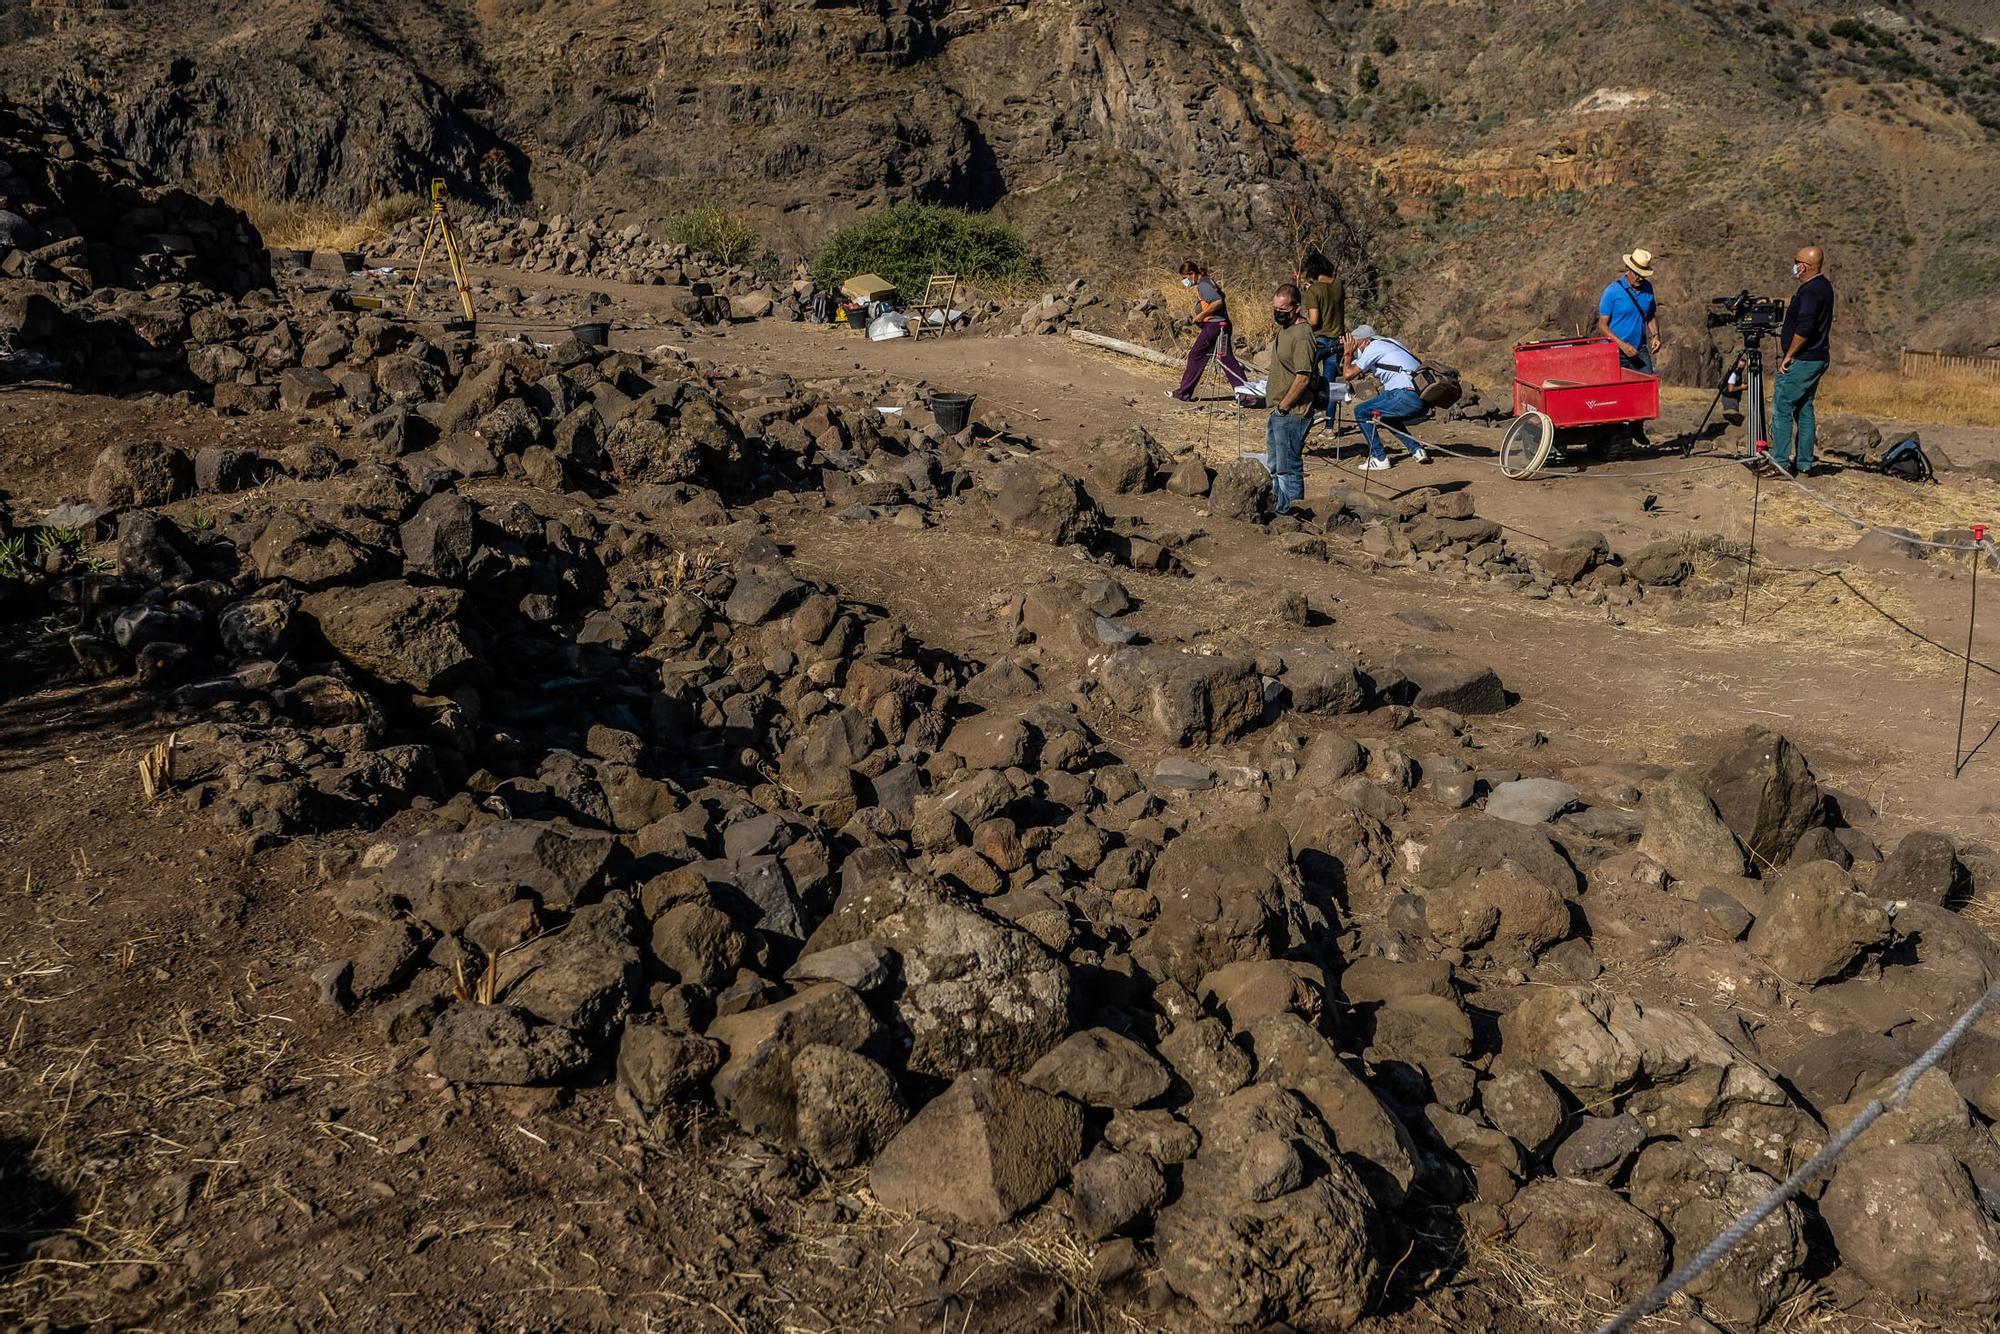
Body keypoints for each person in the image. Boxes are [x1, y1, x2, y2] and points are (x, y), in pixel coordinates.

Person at [1768, 245, 1834, 475]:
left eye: (1796, 261)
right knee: (1804, 407)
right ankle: (1805, 462)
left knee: (1782, 405)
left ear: (1804, 266)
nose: (1794, 265)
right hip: (1818, 356)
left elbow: (1805, 327)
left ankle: (1780, 463)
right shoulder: (1822, 287)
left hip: (1805, 358)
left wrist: (1790, 354)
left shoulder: (1811, 292)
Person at [1339, 324, 1430, 471]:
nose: (1357, 350)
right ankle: (1417, 449)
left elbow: (1348, 374)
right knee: (1386, 417)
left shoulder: (1373, 348)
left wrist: (1348, 353)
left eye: (1357, 345)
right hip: (1423, 396)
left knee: (1361, 411)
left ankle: (1379, 457)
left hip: (1405, 394)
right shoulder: (1392, 343)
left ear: (1366, 341)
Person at [1264, 284, 1317, 513]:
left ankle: (1294, 511)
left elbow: (1303, 377)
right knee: (1276, 466)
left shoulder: (1303, 335)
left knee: (1289, 467)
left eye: (1283, 309)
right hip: (1278, 410)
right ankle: (1279, 506)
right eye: (1276, 308)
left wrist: (1284, 407)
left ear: (1296, 308)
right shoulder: (1285, 329)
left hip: (1292, 413)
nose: (1278, 313)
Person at [1171, 261, 1249, 400]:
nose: (1184, 281)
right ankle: (1247, 395)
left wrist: (1200, 316)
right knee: (1226, 359)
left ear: (1192, 274)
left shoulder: (1204, 284)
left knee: (1196, 356)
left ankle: (1183, 392)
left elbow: (1218, 301)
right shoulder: (1208, 281)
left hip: (1214, 327)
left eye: (1185, 278)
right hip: (1221, 325)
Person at [1297, 252, 1346, 431]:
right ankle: (1329, 427)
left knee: (1307, 377)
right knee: (1330, 383)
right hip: (1338, 340)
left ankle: (1310, 414)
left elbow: (1315, 320)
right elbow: (1329, 297)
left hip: (1320, 340)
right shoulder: (1339, 285)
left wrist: (1302, 319)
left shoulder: (1313, 291)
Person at [1596, 248, 1661, 373]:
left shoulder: (1648, 288)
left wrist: (1655, 336)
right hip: (1614, 351)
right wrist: (1622, 345)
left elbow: (1650, 315)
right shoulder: (1612, 291)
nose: (1639, 277)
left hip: (1639, 350)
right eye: (1636, 273)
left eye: (1642, 274)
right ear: (1628, 269)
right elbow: (1602, 325)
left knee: (1647, 386)